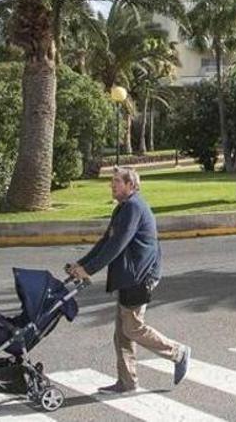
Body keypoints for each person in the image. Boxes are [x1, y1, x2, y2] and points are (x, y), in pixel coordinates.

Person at [66, 167, 190, 394]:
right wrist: (81, 265)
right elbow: (106, 241)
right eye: (111, 181)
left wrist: (89, 270)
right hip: (129, 276)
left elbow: (117, 244)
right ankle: (127, 382)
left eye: (116, 182)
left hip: (140, 276)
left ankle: (178, 352)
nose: (112, 185)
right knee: (122, 333)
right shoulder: (123, 208)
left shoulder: (133, 207)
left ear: (130, 185)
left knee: (132, 328)